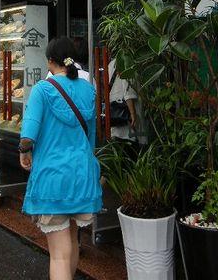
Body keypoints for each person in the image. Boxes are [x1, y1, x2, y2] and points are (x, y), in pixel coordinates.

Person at [20, 37, 102, 280]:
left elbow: (29, 132)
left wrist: (24, 152)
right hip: (82, 176)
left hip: (52, 176)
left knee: (58, 255)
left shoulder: (42, 89)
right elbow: (91, 137)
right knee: (72, 241)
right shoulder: (88, 89)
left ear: (50, 61)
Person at [108, 58, 137, 141]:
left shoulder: (111, 63)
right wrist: (133, 114)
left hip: (114, 110)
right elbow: (128, 92)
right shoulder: (126, 61)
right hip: (125, 111)